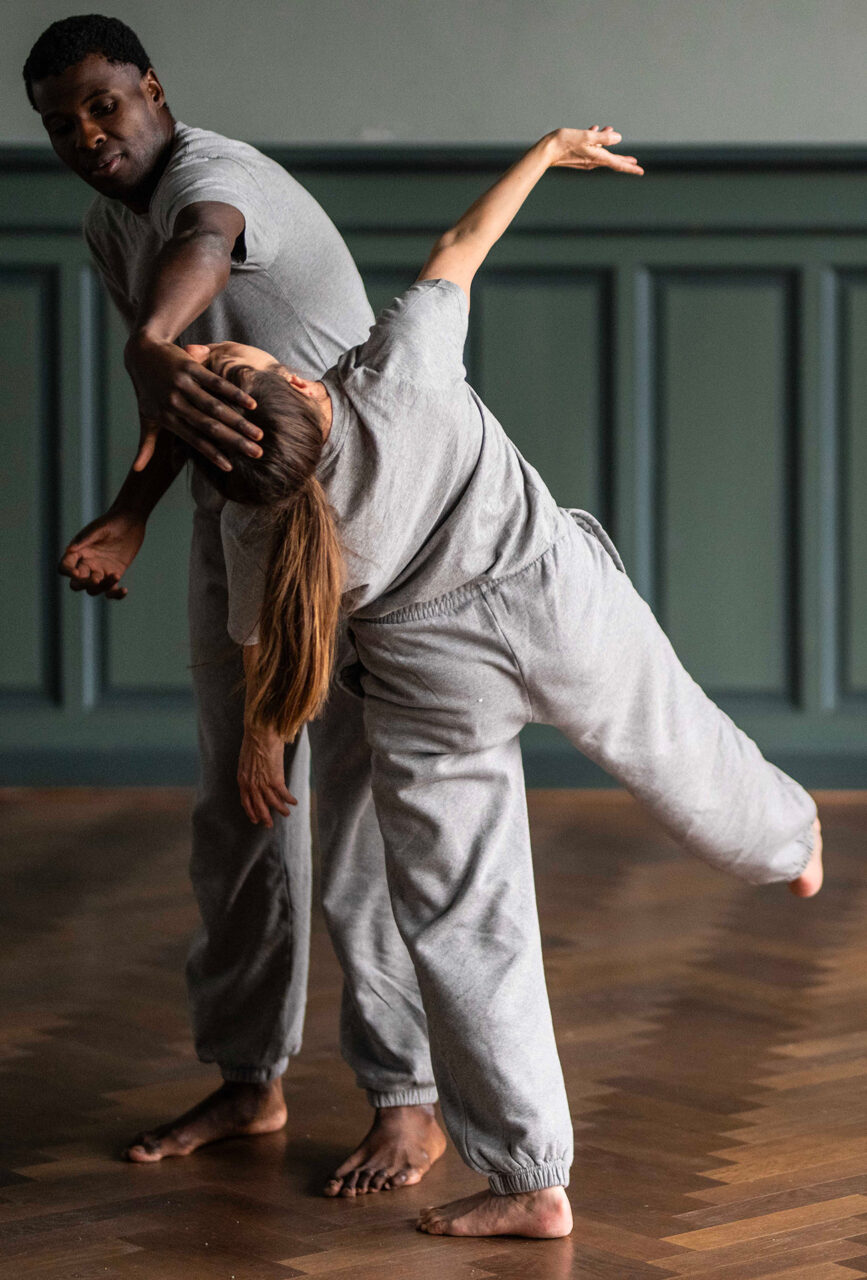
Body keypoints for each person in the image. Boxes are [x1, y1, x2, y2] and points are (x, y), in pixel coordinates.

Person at [184, 125, 824, 1238]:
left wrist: (255, 743)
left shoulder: (254, 516)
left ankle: (532, 1177)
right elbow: (461, 241)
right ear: (292, 375)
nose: (206, 356)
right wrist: (545, 151)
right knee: (682, 745)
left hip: (428, 675)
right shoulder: (396, 373)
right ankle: (791, 844)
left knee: (464, 920)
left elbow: (265, 656)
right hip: (549, 600)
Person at [25, 13, 448, 1194]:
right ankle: (249, 1074)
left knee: (356, 820)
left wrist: (150, 341)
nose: (86, 134)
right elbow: (192, 400)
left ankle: (406, 1097)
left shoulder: (215, 179)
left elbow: (203, 254)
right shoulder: (111, 221)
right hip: (236, 506)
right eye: (59, 123)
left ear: (152, 90)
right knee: (243, 808)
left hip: (355, 513)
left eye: (104, 104)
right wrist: (133, 510)